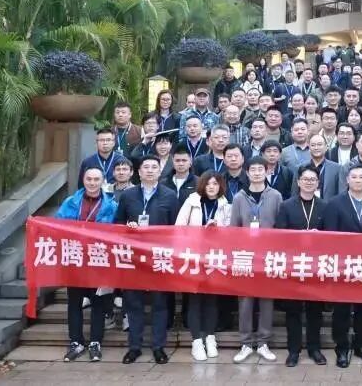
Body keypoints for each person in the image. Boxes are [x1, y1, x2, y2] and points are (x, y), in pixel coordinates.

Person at [114, 155, 179, 364]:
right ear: (139, 172)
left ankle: (158, 347)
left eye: (154, 167)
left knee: (160, 303)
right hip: (134, 257)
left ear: (160, 172)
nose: (150, 170)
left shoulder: (170, 196)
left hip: (160, 257)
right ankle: (134, 347)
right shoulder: (128, 195)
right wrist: (127, 228)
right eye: (146, 167)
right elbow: (117, 224)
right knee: (134, 303)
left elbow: (176, 229)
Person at [322, 164, 362, 367]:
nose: (357, 180)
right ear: (347, 180)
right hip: (343, 264)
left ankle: (361, 345)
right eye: (354, 177)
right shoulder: (335, 203)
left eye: (361, 177)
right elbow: (329, 234)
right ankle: (341, 347)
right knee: (341, 308)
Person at [57, 167, 117, 362]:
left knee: (98, 303)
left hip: (99, 260)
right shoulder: (70, 202)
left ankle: (95, 342)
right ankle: (76, 341)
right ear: (83, 180)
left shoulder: (111, 205)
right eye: (89, 179)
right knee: (74, 302)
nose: (92, 183)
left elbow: (118, 232)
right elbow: (57, 226)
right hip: (75, 258)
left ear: (103, 181)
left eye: (96, 179)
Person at [230, 156, 284, 363]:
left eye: (261, 169)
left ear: (267, 171)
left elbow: (281, 227)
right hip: (245, 256)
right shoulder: (239, 197)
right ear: (247, 172)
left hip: (268, 256)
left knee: (266, 300)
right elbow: (234, 228)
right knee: (245, 301)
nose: (257, 173)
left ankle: (263, 343)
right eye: (253, 169)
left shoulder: (276, 196)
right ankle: (245, 343)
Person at [275, 167, 328, 367]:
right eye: (305, 179)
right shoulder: (287, 205)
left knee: (315, 310)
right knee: (293, 311)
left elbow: (332, 236)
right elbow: (280, 235)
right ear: (298, 182)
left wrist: (318, 237)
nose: (309, 182)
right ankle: (294, 350)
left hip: (316, 265)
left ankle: (314, 349)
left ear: (318, 183)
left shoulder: (324, 206)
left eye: (313, 179)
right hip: (294, 264)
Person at [175, 171, 231, 360]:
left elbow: (233, 232)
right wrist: (198, 232)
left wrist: (219, 229)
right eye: (208, 183)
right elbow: (179, 228)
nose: (211, 187)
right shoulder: (191, 201)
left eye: (215, 183)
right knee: (195, 300)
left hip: (215, 258)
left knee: (211, 300)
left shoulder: (225, 204)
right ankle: (197, 341)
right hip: (193, 257)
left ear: (220, 186)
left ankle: (210, 338)